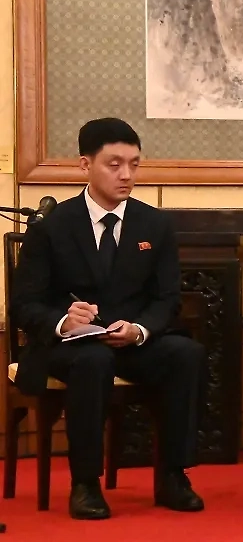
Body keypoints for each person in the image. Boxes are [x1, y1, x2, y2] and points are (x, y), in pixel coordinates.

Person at [11, 118, 206, 519]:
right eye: (114, 164)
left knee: (185, 354)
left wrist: (140, 330)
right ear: (85, 165)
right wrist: (64, 321)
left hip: (130, 340)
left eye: (134, 164)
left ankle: (173, 475)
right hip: (68, 346)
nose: (126, 175)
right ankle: (85, 483)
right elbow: (24, 304)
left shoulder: (155, 224)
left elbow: (167, 299)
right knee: (93, 359)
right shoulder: (52, 227)